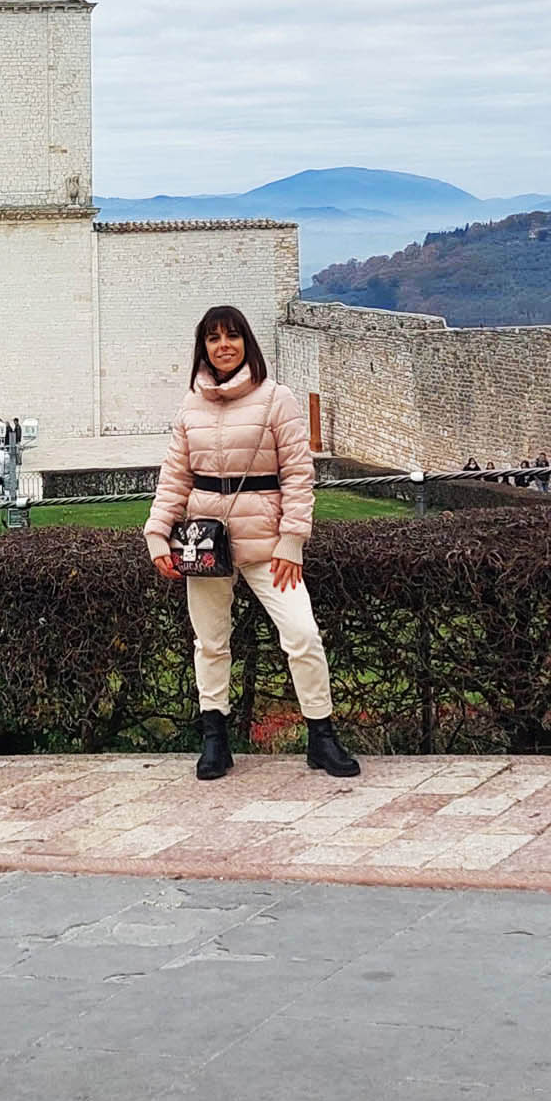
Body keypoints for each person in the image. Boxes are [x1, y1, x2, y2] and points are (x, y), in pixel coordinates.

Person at [145, 304, 359, 782]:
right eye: (214, 338)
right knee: (210, 643)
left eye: (233, 336)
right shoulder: (190, 406)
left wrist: (292, 541)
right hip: (204, 542)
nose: (224, 346)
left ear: (247, 343)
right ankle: (215, 740)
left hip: (268, 544)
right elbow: (175, 477)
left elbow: (299, 477)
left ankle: (321, 736)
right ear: (202, 347)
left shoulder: (276, 399)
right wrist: (158, 533)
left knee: (302, 635)